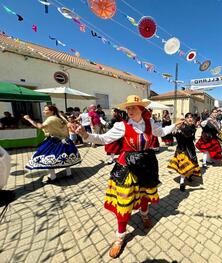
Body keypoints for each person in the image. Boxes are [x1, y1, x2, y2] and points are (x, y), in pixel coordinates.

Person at [75, 95, 184, 258]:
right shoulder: (122, 125)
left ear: (141, 109)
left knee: (145, 193)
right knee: (124, 200)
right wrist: (85, 135)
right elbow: (104, 139)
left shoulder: (150, 123)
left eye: (133, 107)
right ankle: (120, 237)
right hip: (127, 166)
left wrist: (175, 124)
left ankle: (144, 215)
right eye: (128, 107)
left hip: (147, 163)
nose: (129, 110)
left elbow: (161, 132)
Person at [23, 105, 81, 182]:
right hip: (65, 140)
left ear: (52, 111)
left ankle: (53, 177)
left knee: (48, 158)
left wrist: (29, 119)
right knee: (66, 156)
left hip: (54, 141)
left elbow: (40, 126)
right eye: (44, 110)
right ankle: (68, 174)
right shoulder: (59, 118)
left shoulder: (51, 119)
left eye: (46, 110)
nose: (44, 111)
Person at [168, 113, 201, 191]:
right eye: (188, 117)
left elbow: (189, 134)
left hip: (190, 149)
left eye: (191, 117)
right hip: (182, 149)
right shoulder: (181, 126)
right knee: (184, 166)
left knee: (191, 164)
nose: (190, 119)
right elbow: (174, 134)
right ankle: (182, 182)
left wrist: (181, 127)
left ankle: (188, 176)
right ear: (186, 119)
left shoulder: (192, 127)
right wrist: (176, 129)